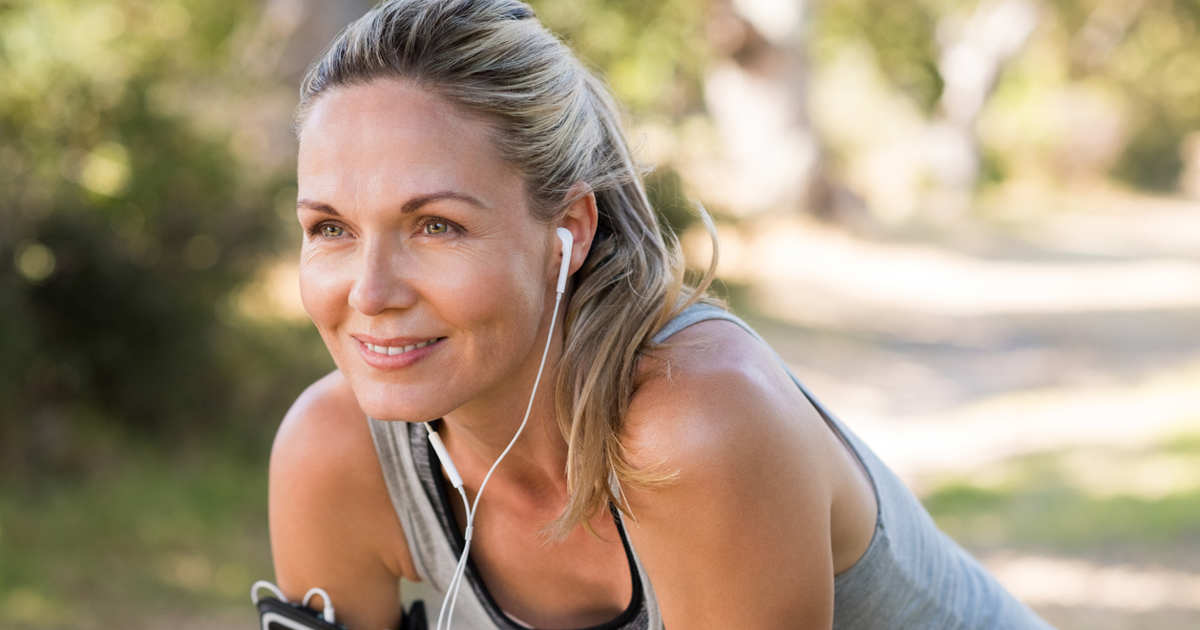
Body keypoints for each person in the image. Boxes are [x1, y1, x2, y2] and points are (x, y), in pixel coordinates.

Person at [268, 1, 1055, 628]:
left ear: (568, 230)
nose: (370, 293)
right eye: (330, 228)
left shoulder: (694, 425)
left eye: (436, 225)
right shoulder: (333, 453)